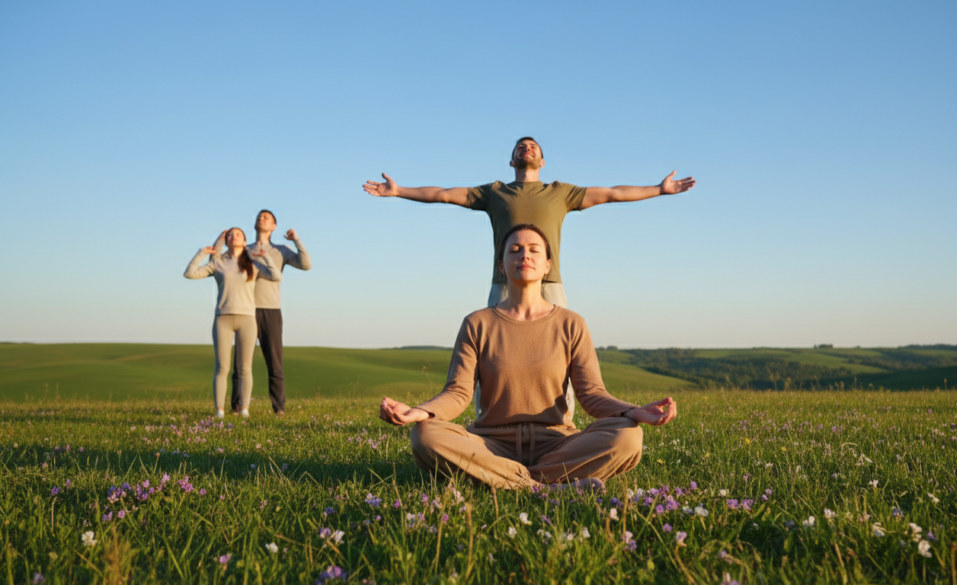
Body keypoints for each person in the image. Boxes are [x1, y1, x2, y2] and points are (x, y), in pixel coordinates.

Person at [364, 137, 696, 420]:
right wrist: (399, 191)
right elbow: (444, 194)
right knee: (491, 359)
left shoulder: (560, 193)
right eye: (521, 146)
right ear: (512, 159)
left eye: (533, 146)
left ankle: (560, 424)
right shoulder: (494, 192)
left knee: (559, 361)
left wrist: (658, 189)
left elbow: (612, 193)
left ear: (542, 160)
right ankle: (489, 424)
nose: (526, 148)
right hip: (503, 285)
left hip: (550, 288)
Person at [378, 225, 677, 490]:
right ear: (501, 266)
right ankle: (546, 486)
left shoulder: (571, 323)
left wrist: (632, 411)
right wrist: (421, 412)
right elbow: (458, 393)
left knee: (627, 437)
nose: (525, 255)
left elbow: (592, 395)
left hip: (558, 443)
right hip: (489, 443)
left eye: (534, 250)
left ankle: (508, 481)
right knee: (426, 436)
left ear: (547, 265)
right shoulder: (477, 323)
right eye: (515, 250)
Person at [184, 227, 281, 418]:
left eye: (238, 234)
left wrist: (265, 257)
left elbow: (276, 276)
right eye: (230, 234)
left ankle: (244, 409)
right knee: (222, 367)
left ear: (244, 241)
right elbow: (190, 273)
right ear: (226, 241)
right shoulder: (218, 263)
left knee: (245, 367)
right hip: (223, 319)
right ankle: (219, 411)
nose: (233, 236)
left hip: (247, 320)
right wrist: (202, 253)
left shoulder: (253, 264)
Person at [229, 209, 312, 415]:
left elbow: (306, 265)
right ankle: (237, 407)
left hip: (271, 311)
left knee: (275, 363)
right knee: (240, 363)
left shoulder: (281, 251)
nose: (261, 218)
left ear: (273, 227)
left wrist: (297, 240)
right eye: (259, 216)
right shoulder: (243, 249)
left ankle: (279, 409)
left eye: (267, 217)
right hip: (245, 310)